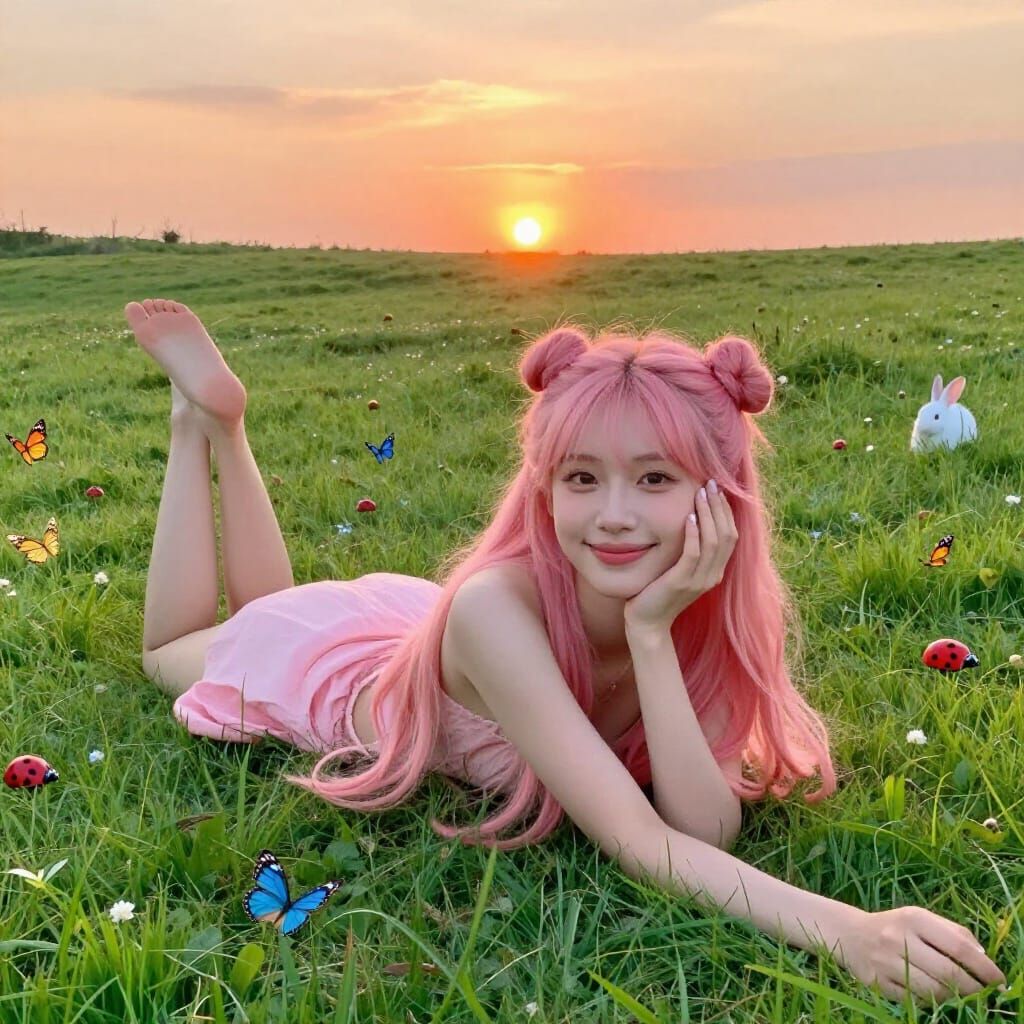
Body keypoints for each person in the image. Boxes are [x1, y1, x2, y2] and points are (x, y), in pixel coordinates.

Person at [128, 297, 1007, 1004]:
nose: (614, 515)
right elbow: (638, 838)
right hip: (325, 672)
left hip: (413, 625)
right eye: (582, 478)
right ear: (544, 488)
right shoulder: (492, 609)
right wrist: (846, 929)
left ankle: (223, 427)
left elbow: (704, 827)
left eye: (654, 479)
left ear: (718, 495)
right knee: (180, 646)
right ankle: (199, 427)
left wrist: (651, 634)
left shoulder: (691, 612)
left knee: (264, 604)